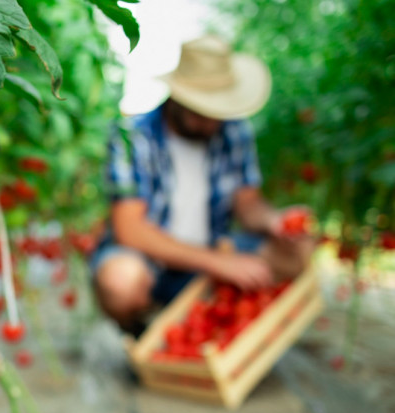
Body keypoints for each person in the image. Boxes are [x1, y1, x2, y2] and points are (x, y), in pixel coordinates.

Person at [91, 35, 314, 338]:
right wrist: (220, 262)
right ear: (178, 98)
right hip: (153, 264)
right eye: (202, 111)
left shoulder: (233, 131)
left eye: (218, 111)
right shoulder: (132, 137)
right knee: (120, 281)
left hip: (212, 254)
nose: (212, 122)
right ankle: (143, 330)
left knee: (299, 249)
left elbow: (248, 204)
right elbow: (130, 229)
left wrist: (273, 221)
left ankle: (221, 322)